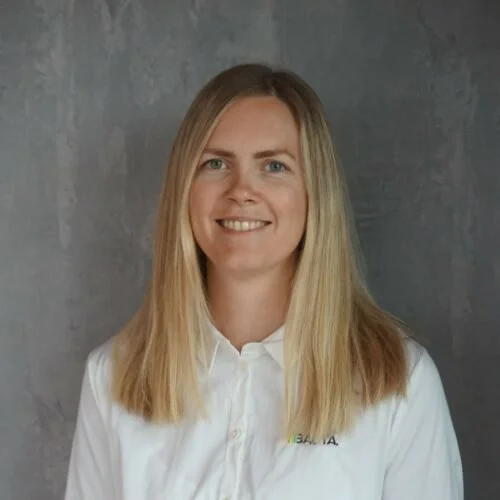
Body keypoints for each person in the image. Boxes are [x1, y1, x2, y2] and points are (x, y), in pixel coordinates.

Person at [65, 63, 463, 500]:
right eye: (216, 163)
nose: (241, 190)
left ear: (315, 193)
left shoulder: (397, 382)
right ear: (185, 188)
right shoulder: (114, 377)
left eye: (274, 166)